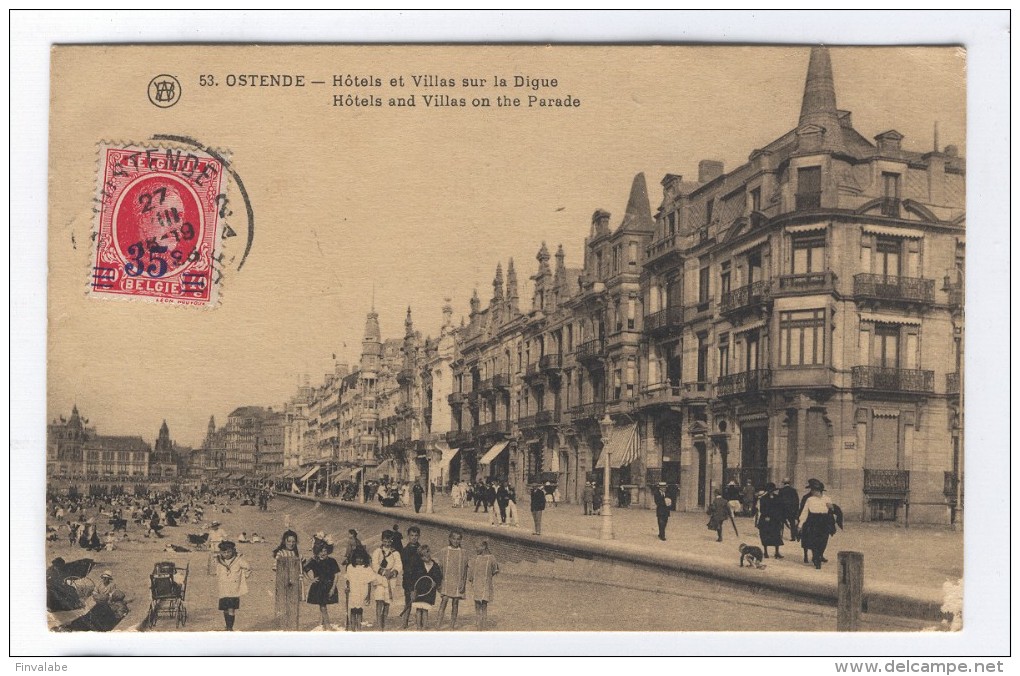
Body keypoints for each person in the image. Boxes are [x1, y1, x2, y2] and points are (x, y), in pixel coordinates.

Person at [303, 541, 341, 630]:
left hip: (329, 586)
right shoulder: (314, 561)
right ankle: (327, 625)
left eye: (325, 551)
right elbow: (304, 570)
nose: (323, 553)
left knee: (323, 605)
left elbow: (336, 575)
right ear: (317, 552)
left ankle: (323, 624)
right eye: (321, 551)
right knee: (322, 606)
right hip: (318, 587)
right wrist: (311, 580)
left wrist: (333, 588)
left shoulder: (332, 561)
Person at [435, 530, 469, 630]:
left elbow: (465, 569)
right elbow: (440, 567)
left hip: (458, 581)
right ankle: (438, 623)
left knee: (455, 603)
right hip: (446, 580)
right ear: (450, 539)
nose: (456, 541)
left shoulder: (463, 552)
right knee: (444, 601)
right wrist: (439, 582)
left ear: (461, 540)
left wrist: (463, 582)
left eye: (458, 539)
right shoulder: (444, 551)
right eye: (454, 538)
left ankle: (452, 625)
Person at [214, 541, 251, 631]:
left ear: (233, 551)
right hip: (223, 588)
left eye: (229, 552)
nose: (226, 554)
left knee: (231, 609)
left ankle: (230, 627)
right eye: (224, 552)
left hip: (234, 589)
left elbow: (248, 567)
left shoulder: (238, 560)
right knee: (225, 609)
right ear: (221, 552)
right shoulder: (219, 561)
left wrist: (243, 576)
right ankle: (227, 626)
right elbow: (217, 572)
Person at [370, 530, 404, 630]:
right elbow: (375, 565)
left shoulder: (395, 553)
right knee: (379, 601)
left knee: (386, 603)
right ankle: (379, 626)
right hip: (380, 580)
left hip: (390, 581)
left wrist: (394, 572)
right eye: (385, 541)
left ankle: (384, 624)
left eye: (389, 542)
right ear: (382, 540)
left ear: (392, 541)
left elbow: (399, 565)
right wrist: (384, 572)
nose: (387, 544)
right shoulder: (377, 552)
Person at [799, 478, 835, 569]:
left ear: (817, 490)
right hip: (813, 521)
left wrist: (831, 508)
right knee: (814, 541)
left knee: (823, 541)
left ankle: (819, 555)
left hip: (824, 521)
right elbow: (804, 512)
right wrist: (800, 524)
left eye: (812, 490)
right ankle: (816, 558)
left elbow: (833, 512)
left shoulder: (827, 499)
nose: (811, 491)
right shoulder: (810, 500)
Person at [408, 544, 443, 630]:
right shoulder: (418, 565)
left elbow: (439, 577)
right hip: (419, 591)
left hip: (429, 592)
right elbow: (413, 578)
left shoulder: (435, 566)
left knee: (425, 609)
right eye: (423, 556)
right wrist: (413, 590)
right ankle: (419, 627)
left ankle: (424, 627)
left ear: (429, 552)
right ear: (420, 557)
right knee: (418, 609)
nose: (426, 556)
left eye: (427, 553)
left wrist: (436, 582)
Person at [468, 540, 499, 630]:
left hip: (485, 585)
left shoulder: (491, 558)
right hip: (477, 585)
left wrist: (488, 577)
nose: (476, 549)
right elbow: (471, 572)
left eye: (477, 547)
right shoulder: (475, 558)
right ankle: (479, 623)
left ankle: (484, 624)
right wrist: (471, 579)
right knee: (477, 604)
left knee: (484, 605)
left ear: (484, 547)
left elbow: (495, 570)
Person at [398, 525, 424, 628]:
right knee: (408, 601)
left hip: (420, 580)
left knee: (420, 603)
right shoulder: (405, 551)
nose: (414, 537)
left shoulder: (421, 549)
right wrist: (411, 587)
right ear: (408, 536)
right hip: (408, 580)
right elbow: (406, 569)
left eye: (416, 535)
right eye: (412, 535)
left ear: (419, 536)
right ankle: (405, 622)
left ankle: (419, 623)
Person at [345, 547, 374, 632]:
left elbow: (369, 583)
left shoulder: (367, 568)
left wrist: (368, 595)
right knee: (353, 610)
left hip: (362, 592)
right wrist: (347, 588)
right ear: (354, 558)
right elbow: (348, 580)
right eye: (357, 558)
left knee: (359, 610)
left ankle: (359, 628)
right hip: (353, 592)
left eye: (361, 558)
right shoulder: (350, 567)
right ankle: (353, 629)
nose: (359, 560)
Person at [756, 483, 785, 559]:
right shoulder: (763, 498)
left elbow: (780, 508)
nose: (771, 492)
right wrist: (766, 516)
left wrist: (780, 518)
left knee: (777, 535)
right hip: (766, 519)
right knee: (765, 535)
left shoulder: (778, 498)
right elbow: (762, 509)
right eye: (769, 490)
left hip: (775, 519)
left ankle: (777, 552)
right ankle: (765, 552)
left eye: (772, 490)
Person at [777, 477, 801, 541]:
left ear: (783, 483)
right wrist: (796, 509)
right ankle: (793, 537)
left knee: (781, 523)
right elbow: (796, 501)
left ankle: (780, 536)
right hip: (792, 510)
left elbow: (779, 501)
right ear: (789, 483)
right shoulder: (793, 490)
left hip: (783, 510)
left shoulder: (781, 490)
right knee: (792, 523)